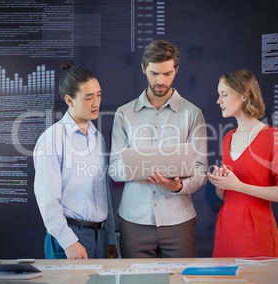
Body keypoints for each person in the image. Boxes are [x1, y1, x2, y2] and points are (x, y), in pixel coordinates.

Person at [109, 39, 208, 258]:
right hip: (134, 220)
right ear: (143, 68)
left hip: (179, 219)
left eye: (167, 73)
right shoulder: (124, 114)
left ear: (177, 70)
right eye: (154, 73)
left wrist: (178, 185)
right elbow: (114, 168)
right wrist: (140, 171)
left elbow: (201, 170)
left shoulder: (193, 114)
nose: (160, 81)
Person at [33, 62, 118, 259]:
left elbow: (104, 192)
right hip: (70, 236)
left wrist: (110, 237)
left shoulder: (98, 138)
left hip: (100, 236)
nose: (96, 103)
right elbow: (48, 200)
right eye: (88, 97)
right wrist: (69, 242)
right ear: (69, 100)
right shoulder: (52, 138)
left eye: (98, 94)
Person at [208, 69, 278, 257]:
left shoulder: (273, 137)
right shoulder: (227, 137)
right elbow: (227, 196)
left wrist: (239, 185)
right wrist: (221, 183)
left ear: (244, 96)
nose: (219, 101)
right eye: (219, 95)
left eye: (224, 94)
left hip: (256, 230)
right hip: (226, 228)